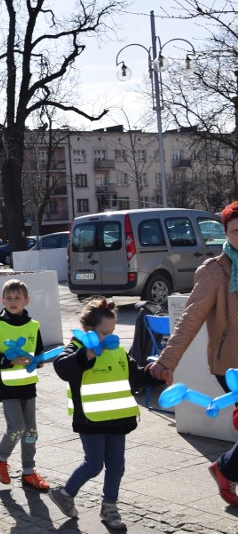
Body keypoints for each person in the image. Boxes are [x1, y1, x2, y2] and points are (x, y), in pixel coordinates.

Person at [150, 200, 238, 507]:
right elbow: (190, 319)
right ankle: (225, 468)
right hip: (231, 365)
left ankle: (225, 468)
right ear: (226, 233)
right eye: (237, 231)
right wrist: (166, 361)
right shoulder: (214, 272)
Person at [49, 297, 165, 530]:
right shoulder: (78, 347)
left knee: (116, 466)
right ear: (88, 330)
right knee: (93, 465)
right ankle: (65, 493)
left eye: (112, 332)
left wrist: (155, 374)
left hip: (118, 419)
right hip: (91, 420)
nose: (109, 337)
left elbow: (136, 375)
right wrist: (87, 355)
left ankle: (109, 507)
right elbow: (62, 367)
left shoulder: (117, 350)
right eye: (104, 333)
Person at [0, 279, 50, 491]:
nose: (13, 302)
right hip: (8, 386)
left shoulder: (34, 325)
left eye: (17, 298)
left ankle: (29, 472)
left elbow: (38, 352)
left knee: (31, 431)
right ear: (3, 300)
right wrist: (10, 361)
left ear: (26, 301)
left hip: (28, 386)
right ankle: (0, 459)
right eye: (9, 298)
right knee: (17, 428)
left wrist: (36, 361)